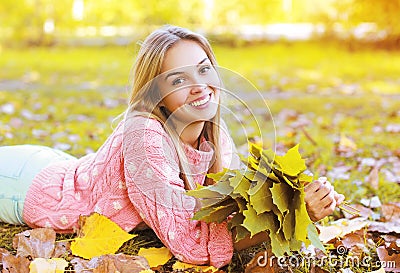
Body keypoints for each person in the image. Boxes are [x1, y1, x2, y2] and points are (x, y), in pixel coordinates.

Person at [0, 25, 344, 267]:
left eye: (204, 69)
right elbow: (191, 243)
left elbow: (236, 203)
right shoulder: (145, 136)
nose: (200, 86)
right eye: (179, 79)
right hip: (24, 186)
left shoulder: (214, 130)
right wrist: (292, 215)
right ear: (156, 95)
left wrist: (294, 195)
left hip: (57, 163)